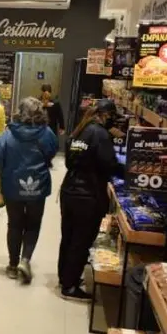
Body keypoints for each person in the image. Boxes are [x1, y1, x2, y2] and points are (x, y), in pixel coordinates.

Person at [58, 99, 122, 301]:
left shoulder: (80, 130)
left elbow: (69, 161)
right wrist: (127, 172)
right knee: (81, 240)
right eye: (112, 116)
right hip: (88, 194)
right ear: (105, 115)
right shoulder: (101, 134)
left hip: (69, 190)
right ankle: (70, 286)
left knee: (68, 237)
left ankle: (65, 278)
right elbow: (109, 164)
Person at [0, 97, 58, 284]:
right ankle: (25, 259)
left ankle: (13, 265)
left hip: (12, 185)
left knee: (14, 224)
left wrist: (6, 171)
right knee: (33, 224)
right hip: (38, 185)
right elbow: (52, 152)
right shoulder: (47, 133)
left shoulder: (9, 134)